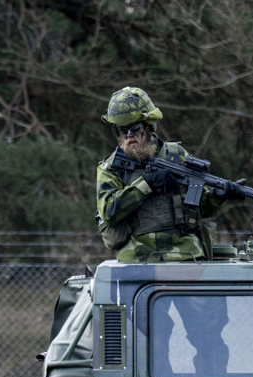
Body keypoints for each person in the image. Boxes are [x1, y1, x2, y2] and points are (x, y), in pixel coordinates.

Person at [95, 86, 239, 263]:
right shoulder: (111, 168)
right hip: (138, 262)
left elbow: (199, 207)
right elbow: (109, 210)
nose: (129, 135)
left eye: (135, 128)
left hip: (187, 257)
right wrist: (147, 184)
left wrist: (218, 196)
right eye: (123, 130)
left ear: (149, 127)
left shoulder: (176, 155)